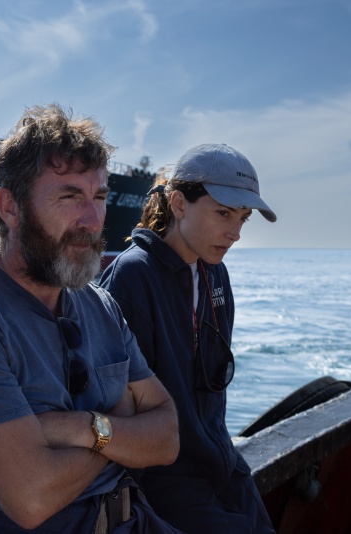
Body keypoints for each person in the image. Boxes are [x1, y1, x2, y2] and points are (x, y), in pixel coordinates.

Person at [0, 103, 182, 533]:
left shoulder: (100, 305)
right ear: (10, 206)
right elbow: (32, 499)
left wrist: (82, 428)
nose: (92, 221)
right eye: (69, 197)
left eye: (99, 198)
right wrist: (122, 421)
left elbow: (167, 438)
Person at [99, 144, 277, 533]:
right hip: (162, 480)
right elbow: (116, 404)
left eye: (243, 219)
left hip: (221, 463)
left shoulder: (215, 273)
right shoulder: (132, 277)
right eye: (223, 213)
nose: (235, 233)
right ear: (179, 204)